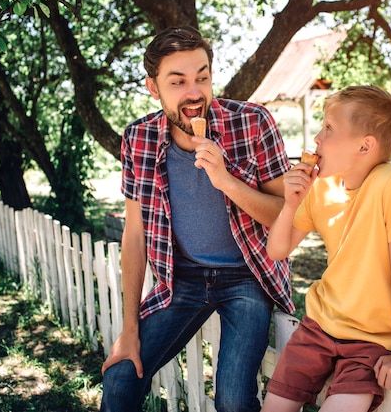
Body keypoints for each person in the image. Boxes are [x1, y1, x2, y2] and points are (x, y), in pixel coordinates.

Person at [99, 26, 294, 412]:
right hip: (181, 278)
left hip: (247, 276)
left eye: (202, 77)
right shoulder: (137, 138)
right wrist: (129, 330)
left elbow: (286, 215)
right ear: (153, 88)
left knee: (234, 401)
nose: (194, 93)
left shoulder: (253, 123)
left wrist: (226, 181)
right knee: (120, 378)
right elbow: (134, 236)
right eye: (178, 82)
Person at [261, 86, 391, 412]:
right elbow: (277, 250)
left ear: (365, 146)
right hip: (319, 327)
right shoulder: (321, 187)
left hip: (371, 341)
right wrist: (291, 204)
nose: (317, 138)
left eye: (329, 128)